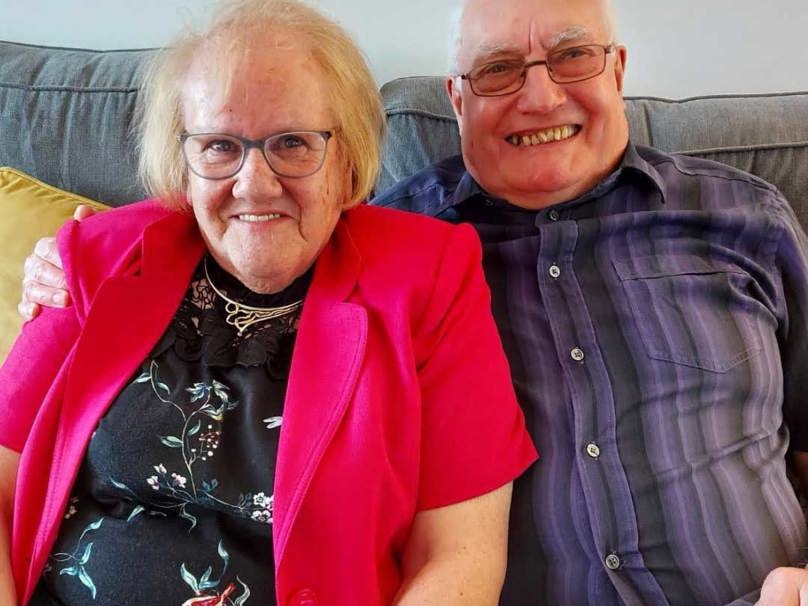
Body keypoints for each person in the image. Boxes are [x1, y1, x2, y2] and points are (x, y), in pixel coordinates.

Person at [20, 0, 808, 604]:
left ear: (617, 69)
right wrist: (71, 258)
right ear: (458, 100)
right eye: (499, 70)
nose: (538, 97)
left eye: (571, 57)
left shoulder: (745, 216)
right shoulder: (407, 236)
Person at [0, 1, 538, 605]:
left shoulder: (430, 279)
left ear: (349, 159)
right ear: (184, 159)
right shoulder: (97, 258)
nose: (254, 182)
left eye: (291, 143)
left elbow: (460, 556)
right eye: (219, 145)